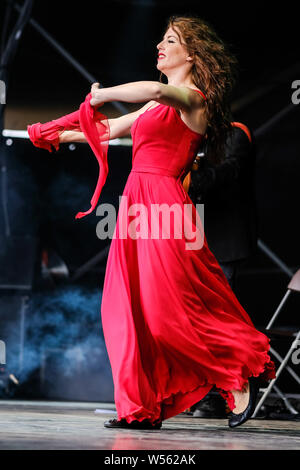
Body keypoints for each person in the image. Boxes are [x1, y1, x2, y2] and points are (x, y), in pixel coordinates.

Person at [27, 15, 275, 429]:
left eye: (171, 40)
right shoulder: (154, 104)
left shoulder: (194, 99)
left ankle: (236, 376)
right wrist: (51, 134)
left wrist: (100, 94)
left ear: (192, 53)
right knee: (123, 310)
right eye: (161, 39)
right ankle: (139, 409)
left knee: (166, 312)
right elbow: (107, 131)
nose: (160, 45)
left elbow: (156, 87)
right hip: (134, 209)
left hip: (164, 207)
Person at [185, 122, 258, 418]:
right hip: (197, 239)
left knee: (219, 320)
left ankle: (222, 393)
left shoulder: (235, 133)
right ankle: (200, 391)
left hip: (225, 241)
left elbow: (230, 172)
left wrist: (190, 176)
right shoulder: (190, 134)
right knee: (196, 320)